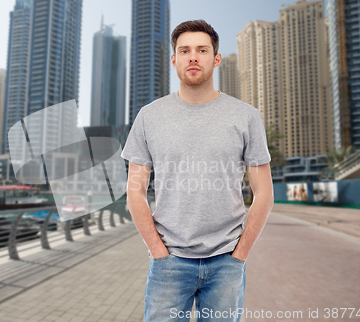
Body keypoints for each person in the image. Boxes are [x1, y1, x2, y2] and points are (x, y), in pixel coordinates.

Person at [121, 20, 274, 322]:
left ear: (216, 59)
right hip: (169, 262)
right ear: (174, 59)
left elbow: (264, 192)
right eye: (185, 50)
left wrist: (240, 255)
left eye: (202, 50)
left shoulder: (246, 117)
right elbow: (135, 190)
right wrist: (157, 251)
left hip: (226, 263)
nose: (193, 57)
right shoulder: (148, 117)